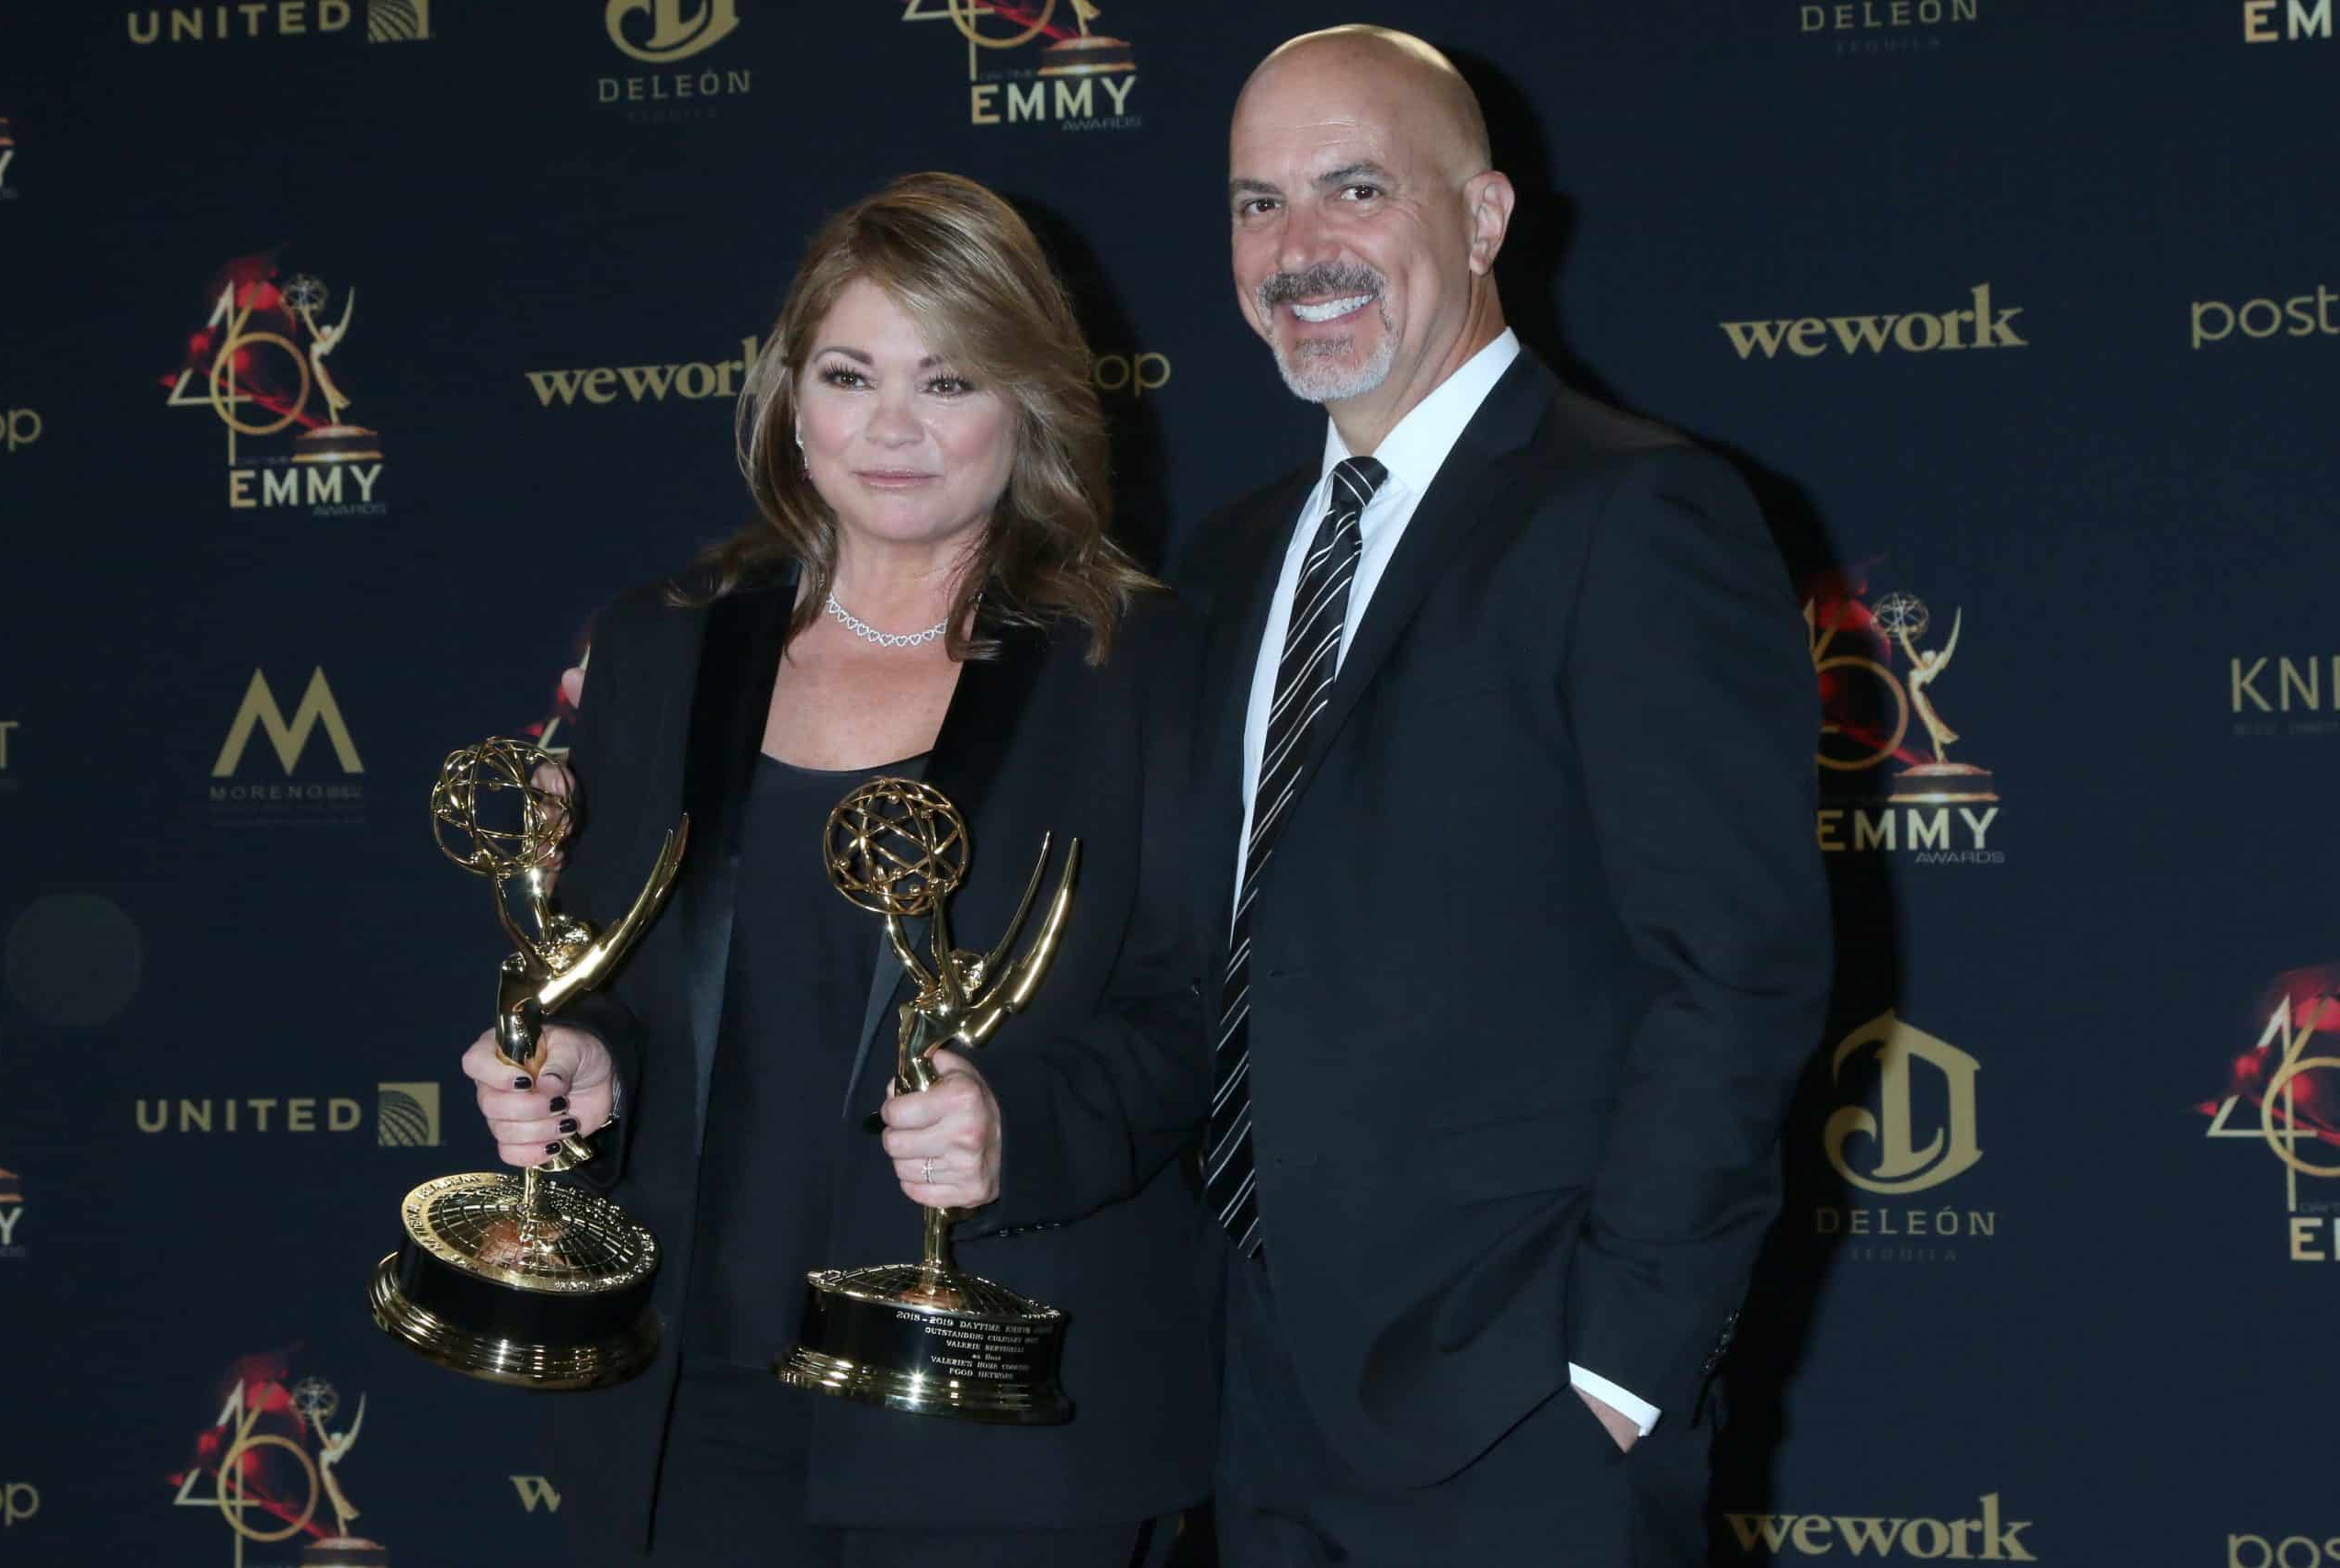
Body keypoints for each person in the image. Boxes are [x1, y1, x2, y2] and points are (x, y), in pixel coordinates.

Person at [459, 173, 1211, 1568]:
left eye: (950, 379)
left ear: (1031, 401)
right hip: (692, 1386)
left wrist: (1020, 1129)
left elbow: (1191, 1009)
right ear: (790, 396)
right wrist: (578, 1060)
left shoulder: (1138, 666)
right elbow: (613, 968)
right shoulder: (663, 645)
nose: (892, 429)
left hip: (1001, 1405)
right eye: (852, 373)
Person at [1178, 28, 1833, 1566]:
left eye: (1353, 189)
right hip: (1242, 1407)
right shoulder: (1220, 563)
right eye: (1257, 203)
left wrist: (1613, 1368)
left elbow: (1734, 968)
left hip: (1515, 1409)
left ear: (1480, 219)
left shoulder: (1635, 514)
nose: (1299, 251)